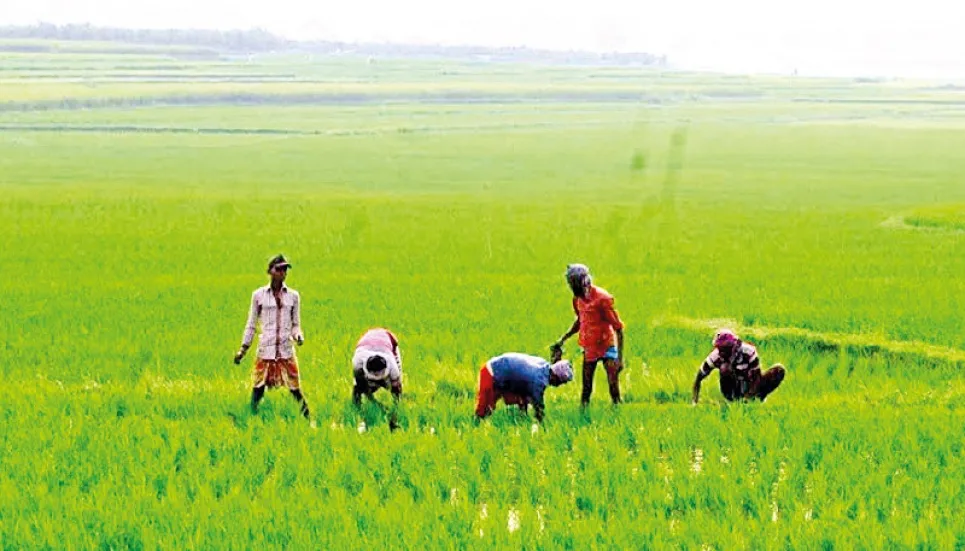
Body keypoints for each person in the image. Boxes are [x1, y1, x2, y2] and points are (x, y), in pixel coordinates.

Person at [233, 254, 311, 422]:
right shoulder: (258, 296)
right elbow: (251, 324)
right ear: (270, 271)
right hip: (265, 349)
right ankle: (251, 416)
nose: (283, 273)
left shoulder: (293, 296)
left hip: (285, 349)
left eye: (285, 269)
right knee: (258, 387)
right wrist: (243, 349)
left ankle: (308, 418)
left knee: (295, 388)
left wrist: (298, 336)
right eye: (279, 269)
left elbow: (296, 324)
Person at [550, 264, 626, 407]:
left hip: (606, 345)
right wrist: (563, 339)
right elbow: (581, 320)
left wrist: (619, 359)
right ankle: (583, 413)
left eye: (572, 283)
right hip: (590, 346)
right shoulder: (577, 300)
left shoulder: (603, 299)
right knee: (586, 388)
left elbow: (619, 328)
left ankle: (618, 410)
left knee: (613, 386)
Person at [691, 329, 786, 404]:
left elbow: (757, 376)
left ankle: (757, 399)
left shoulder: (749, 351)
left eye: (725, 349)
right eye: (720, 349)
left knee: (778, 370)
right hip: (733, 388)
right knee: (725, 368)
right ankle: (734, 400)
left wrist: (749, 396)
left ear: (734, 346)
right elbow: (698, 378)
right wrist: (694, 401)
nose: (722, 352)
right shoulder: (715, 357)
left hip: (750, 384)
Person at [474, 352, 574, 423]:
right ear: (555, 377)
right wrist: (543, 425)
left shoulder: (543, 365)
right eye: (561, 382)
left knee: (523, 399)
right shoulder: (538, 381)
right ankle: (476, 427)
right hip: (491, 372)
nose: (559, 385)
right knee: (484, 408)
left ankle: (521, 419)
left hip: (505, 373)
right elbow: (539, 407)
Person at [352, 327, 403, 405]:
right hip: (366, 342)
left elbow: (397, 388)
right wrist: (375, 403)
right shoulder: (358, 364)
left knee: (396, 384)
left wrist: (397, 407)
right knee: (359, 388)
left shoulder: (393, 366)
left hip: (387, 338)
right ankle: (356, 407)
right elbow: (360, 385)